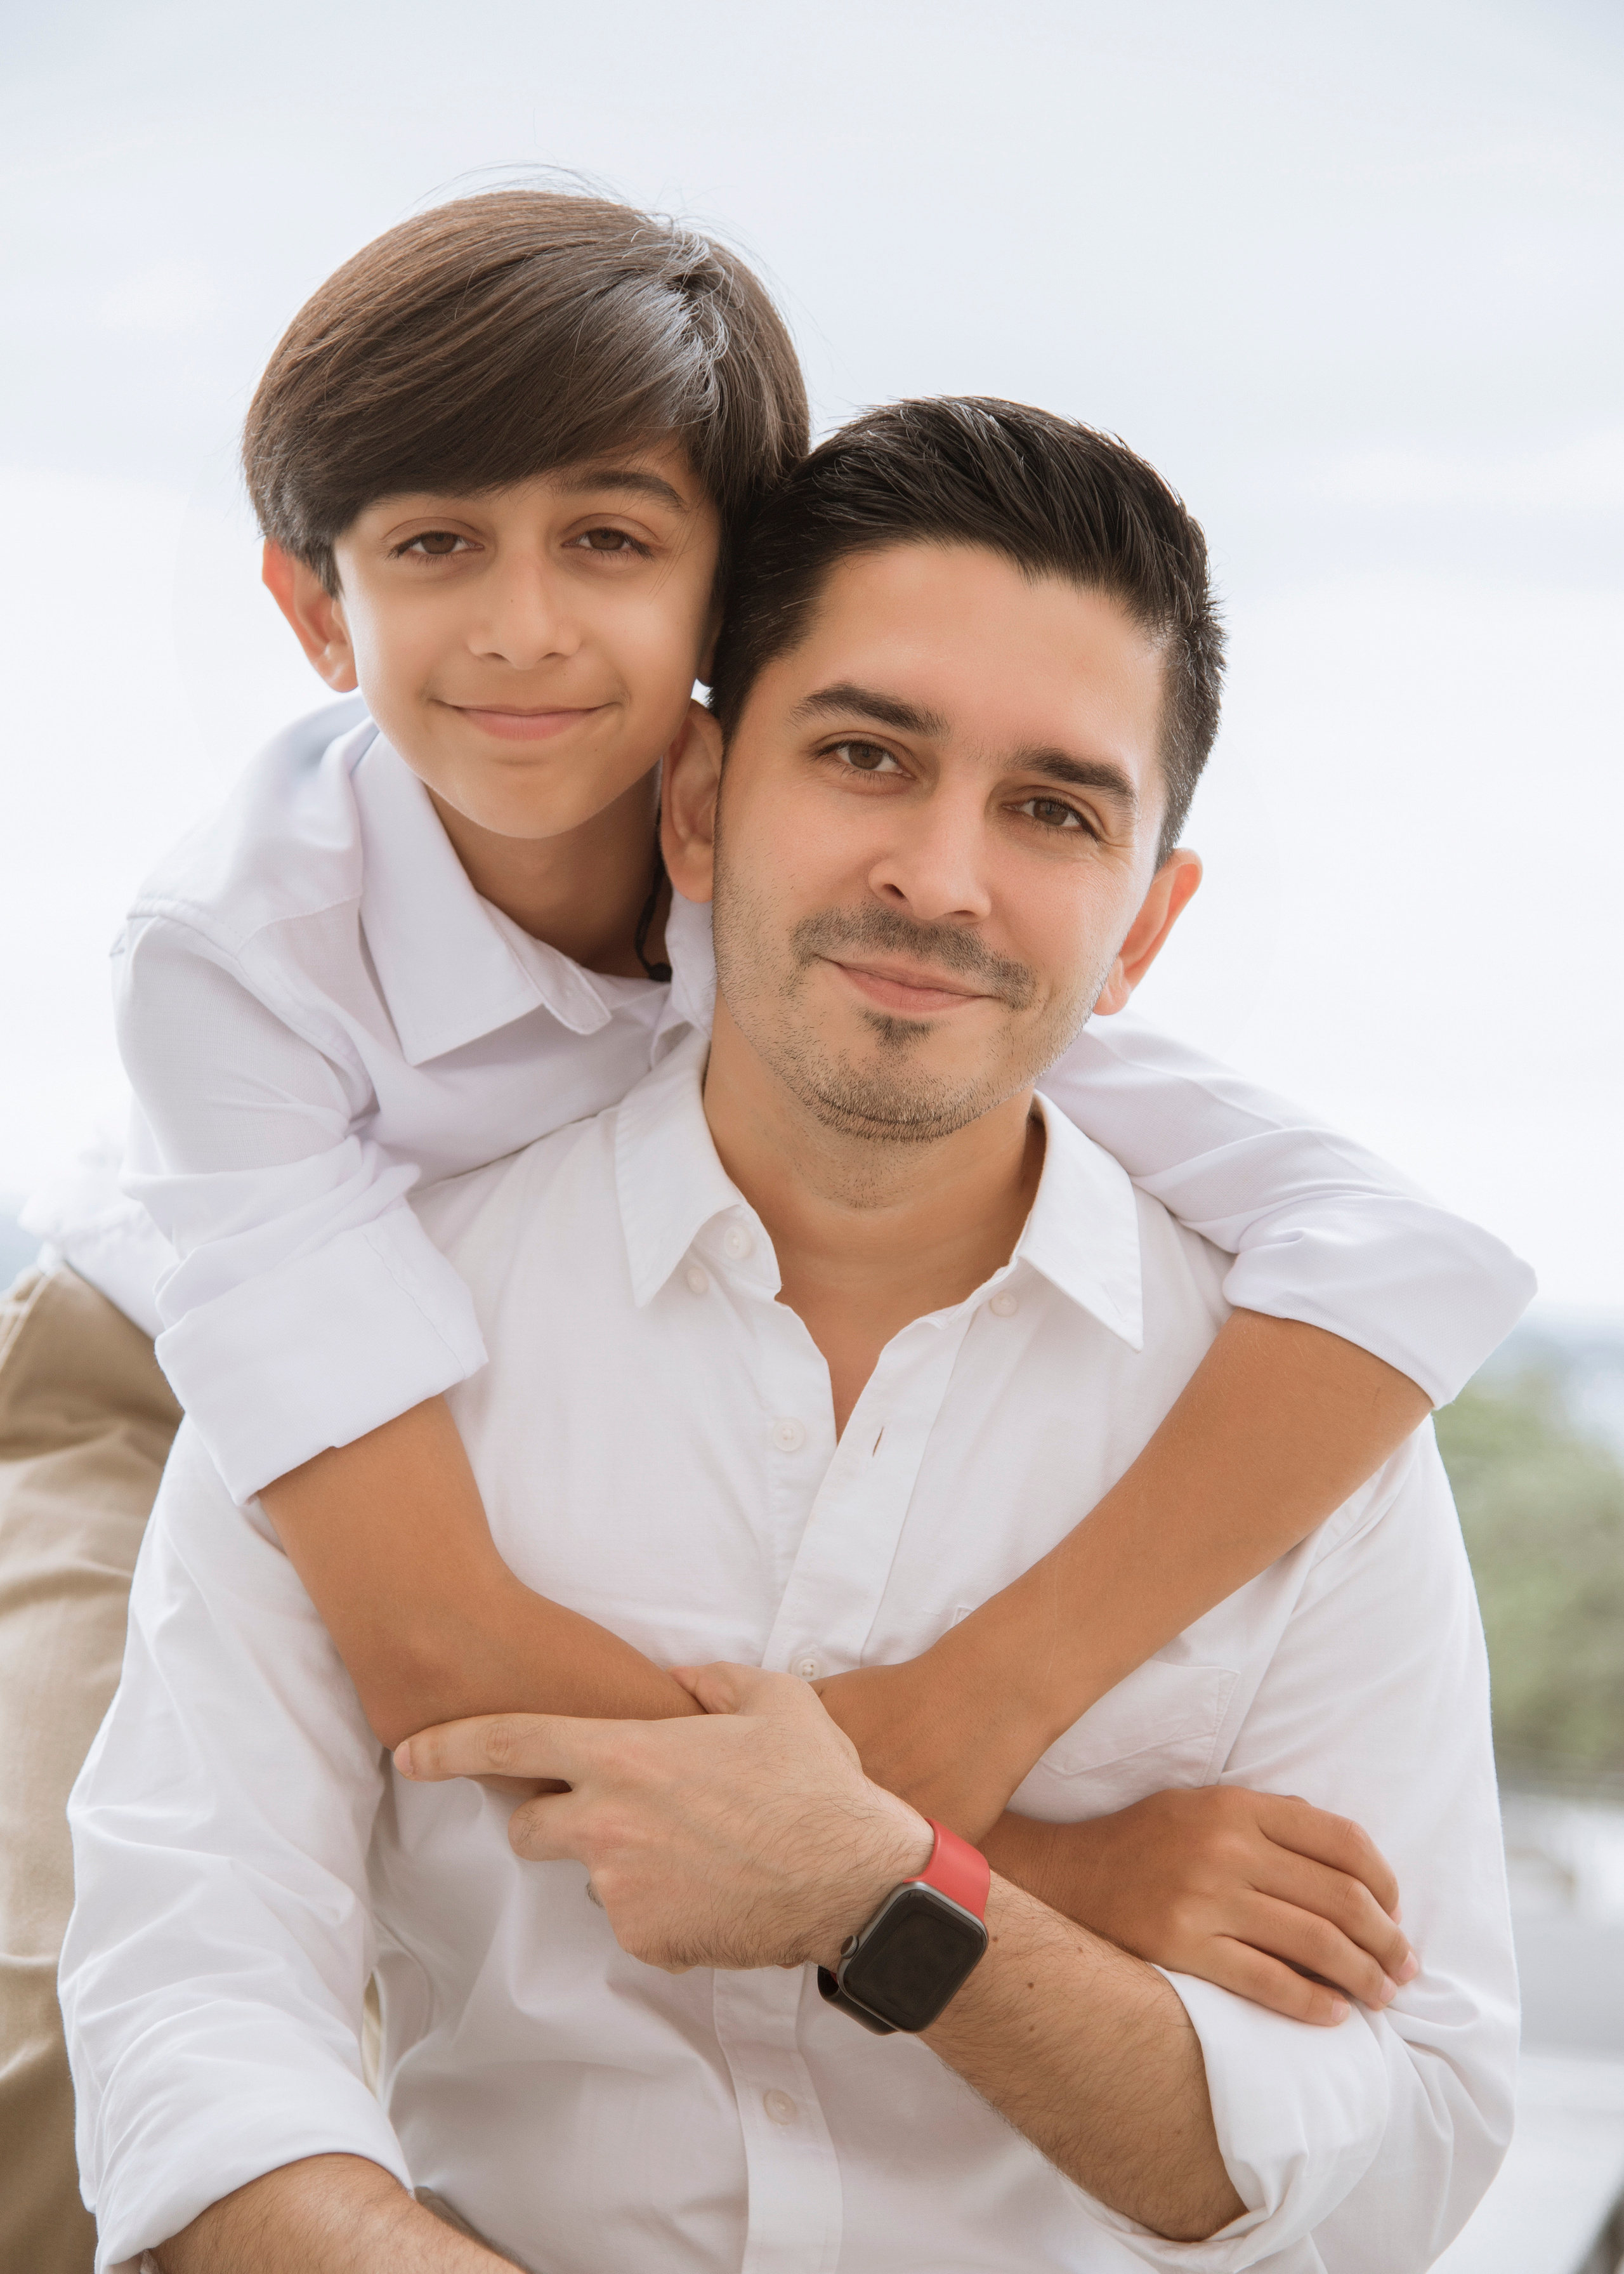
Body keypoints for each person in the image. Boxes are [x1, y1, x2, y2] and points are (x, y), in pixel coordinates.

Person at [6, 185, 1524, 2262]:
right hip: (136, 1351)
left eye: (1056, 810)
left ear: (1150, 919)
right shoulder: (257, 1026)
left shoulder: (1187, 1278)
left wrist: (884, 1849)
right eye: (867, 754)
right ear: (708, 804)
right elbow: (261, 1912)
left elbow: (1413, 1264)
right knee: (39, 2023)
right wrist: (999, 1864)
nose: (942, 877)